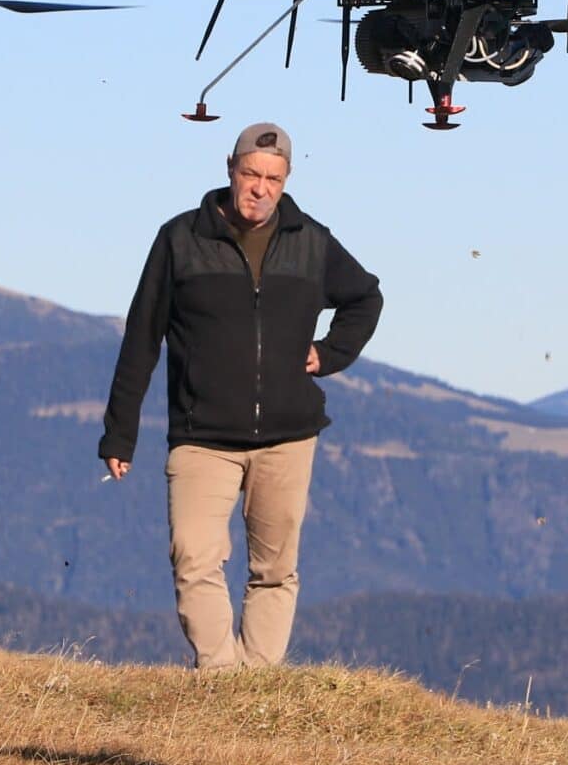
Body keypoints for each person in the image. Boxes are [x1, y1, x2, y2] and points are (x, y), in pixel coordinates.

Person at [99, 121, 384, 669]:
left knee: (275, 570)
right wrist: (120, 432)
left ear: (287, 179)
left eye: (273, 178)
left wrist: (330, 354)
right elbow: (141, 338)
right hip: (201, 436)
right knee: (193, 557)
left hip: (288, 437)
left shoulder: (311, 242)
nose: (261, 187)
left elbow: (365, 298)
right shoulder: (181, 239)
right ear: (230, 169)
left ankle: (254, 688)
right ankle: (222, 678)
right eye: (251, 173)